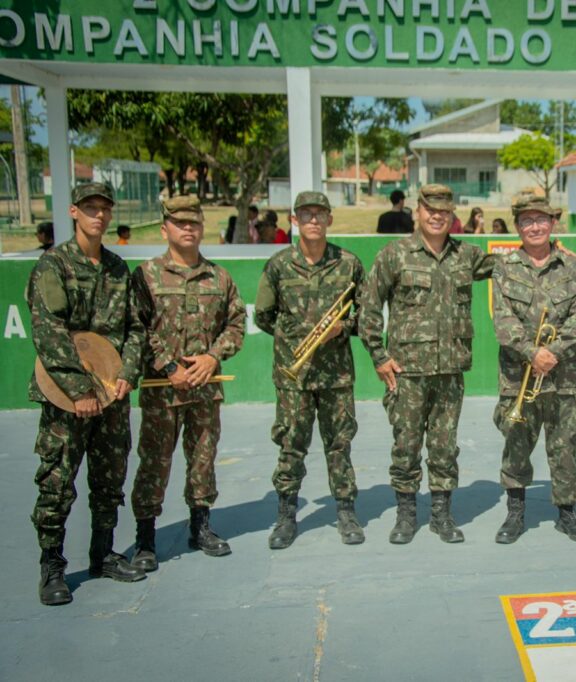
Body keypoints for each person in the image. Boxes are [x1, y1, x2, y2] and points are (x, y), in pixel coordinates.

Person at [26, 182, 146, 606]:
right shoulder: (54, 266)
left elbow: (136, 329)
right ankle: (52, 566)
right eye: (91, 208)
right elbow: (49, 331)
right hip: (65, 397)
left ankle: (103, 553)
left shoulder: (117, 269)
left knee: (110, 476)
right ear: (74, 212)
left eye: (105, 209)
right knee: (57, 480)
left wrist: (129, 374)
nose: (99, 216)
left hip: (113, 394)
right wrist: (78, 389)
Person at [359, 183, 493, 545]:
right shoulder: (395, 254)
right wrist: (379, 355)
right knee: (405, 445)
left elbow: (510, 264)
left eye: (444, 212)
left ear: (453, 217)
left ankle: (441, 515)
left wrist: (555, 250)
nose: (437, 216)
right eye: (430, 210)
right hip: (408, 372)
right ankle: (406, 515)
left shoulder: (466, 256)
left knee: (445, 446)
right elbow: (368, 306)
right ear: (417, 211)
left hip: (450, 372)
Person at [129, 195, 246, 572]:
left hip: (205, 389)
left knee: (203, 459)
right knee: (154, 463)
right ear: (165, 229)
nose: (188, 229)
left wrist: (213, 356)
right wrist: (168, 367)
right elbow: (137, 328)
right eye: (179, 223)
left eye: (194, 222)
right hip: (162, 391)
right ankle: (145, 538)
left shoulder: (219, 277)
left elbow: (236, 324)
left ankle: (201, 526)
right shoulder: (145, 275)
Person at [255, 191, 366, 549]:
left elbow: (366, 314)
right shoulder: (277, 265)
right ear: (295, 220)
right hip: (294, 376)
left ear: (330, 219)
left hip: (336, 375)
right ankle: (286, 515)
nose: (313, 220)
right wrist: (295, 340)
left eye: (320, 214)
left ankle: (346, 512)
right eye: (306, 214)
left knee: (339, 444)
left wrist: (343, 327)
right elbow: (263, 316)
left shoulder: (349, 264)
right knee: (291, 444)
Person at [491, 193, 576, 544]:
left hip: (563, 376)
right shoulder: (504, 267)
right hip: (519, 376)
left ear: (553, 224)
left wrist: (554, 352)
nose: (534, 226)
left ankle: (567, 513)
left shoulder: (571, 266)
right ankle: (515, 514)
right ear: (518, 226)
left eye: (541, 220)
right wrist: (532, 352)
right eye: (527, 221)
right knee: (517, 444)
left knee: (564, 445)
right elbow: (502, 321)